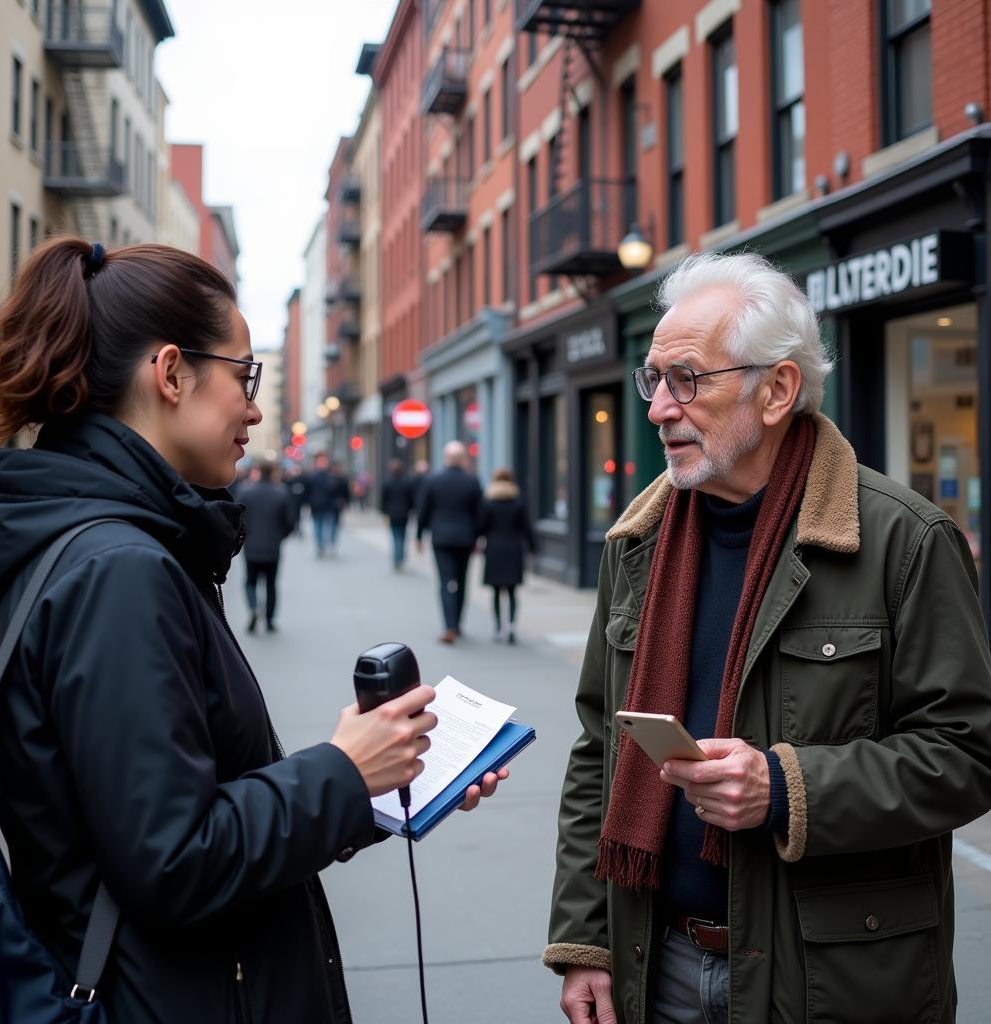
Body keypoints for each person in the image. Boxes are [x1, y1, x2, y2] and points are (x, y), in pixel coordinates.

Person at [0, 238, 505, 1023]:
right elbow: (173, 860)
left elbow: (169, 813)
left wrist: (372, 777)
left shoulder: (99, 537)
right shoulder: (118, 567)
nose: (255, 407)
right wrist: (343, 771)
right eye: (244, 375)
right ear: (173, 372)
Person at [545, 251, 991, 1024]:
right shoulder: (637, 542)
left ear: (778, 389)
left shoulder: (904, 540)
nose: (657, 408)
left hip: (833, 980)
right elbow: (598, 753)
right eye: (653, 379)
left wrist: (787, 789)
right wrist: (586, 942)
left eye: (687, 379)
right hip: (659, 965)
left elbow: (967, 753)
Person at [416, 441, 483, 644]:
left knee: (445, 582)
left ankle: (449, 626)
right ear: (463, 459)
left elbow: (423, 510)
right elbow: (480, 513)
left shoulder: (434, 481)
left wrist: (419, 536)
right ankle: (457, 624)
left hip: (442, 538)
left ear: (446, 459)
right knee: (461, 581)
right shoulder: (472, 481)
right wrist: (478, 537)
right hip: (465, 538)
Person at [238, 460, 296, 633]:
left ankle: (253, 607)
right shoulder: (281, 493)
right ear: (273, 472)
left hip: (251, 546)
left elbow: (237, 518)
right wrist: (279, 536)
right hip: (272, 546)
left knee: (250, 581)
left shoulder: (246, 492)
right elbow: (289, 522)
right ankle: (269, 620)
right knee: (271, 584)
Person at [478, 467, 536, 643]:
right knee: (511, 591)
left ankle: (498, 628)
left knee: (496, 591)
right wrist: (533, 548)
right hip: (513, 549)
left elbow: (481, 527)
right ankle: (511, 626)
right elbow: (526, 528)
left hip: (494, 548)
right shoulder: (518, 502)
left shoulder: (488, 503)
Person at [304, 452, 341, 557]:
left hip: (330, 505)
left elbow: (339, 489)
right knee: (318, 526)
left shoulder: (332, 475)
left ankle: (330, 545)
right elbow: (307, 491)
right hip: (317, 505)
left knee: (331, 526)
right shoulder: (312, 476)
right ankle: (320, 546)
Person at [381, 458, 415, 570]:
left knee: (395, 535)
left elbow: (384, 499)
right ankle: (400, 556)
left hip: (392, 513)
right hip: (404, 513)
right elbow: (411, 498)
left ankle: (397, 557)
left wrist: (384, 511)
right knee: (402, 535)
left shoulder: (388, 482)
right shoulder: (407, 482)